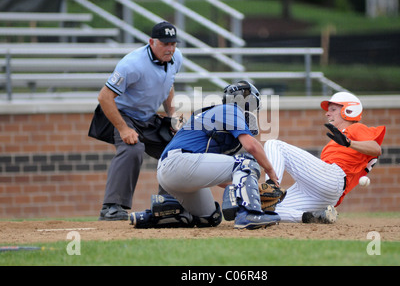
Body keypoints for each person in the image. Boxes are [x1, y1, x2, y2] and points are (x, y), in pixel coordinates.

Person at [129, 81, 282, 230]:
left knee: (209, 217)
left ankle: (152, 216)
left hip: (171, 172)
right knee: (247, 163)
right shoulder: (231, 110)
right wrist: (270, 171)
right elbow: (252, 146)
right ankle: (249, 214)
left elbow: (214, 174)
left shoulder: (219, 116)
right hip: (179, 163)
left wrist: (248, 190)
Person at [88, 21, 183, 221]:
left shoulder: (176, 58)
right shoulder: (132, 64)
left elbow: (167, 85)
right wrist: (123, 129)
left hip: (147, 117)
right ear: (151, 42)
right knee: (132, 148)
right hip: (123, 114)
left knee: (176, 149)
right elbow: (104, 97)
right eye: (165, 44)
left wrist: (172, 115)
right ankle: (111, 207)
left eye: (173, 43)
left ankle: (168, 204)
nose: (170, 48)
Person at [264, 92, 386, 223]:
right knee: (266, 208)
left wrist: (349, 143)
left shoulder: (355, 127)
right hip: (327, 194)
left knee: (274, 144)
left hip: (333, 178)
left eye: (333, 110)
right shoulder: (338, 139)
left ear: (349, 111)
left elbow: (376, 148)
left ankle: (271, 188)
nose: (327, 114)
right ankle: (313, 217)